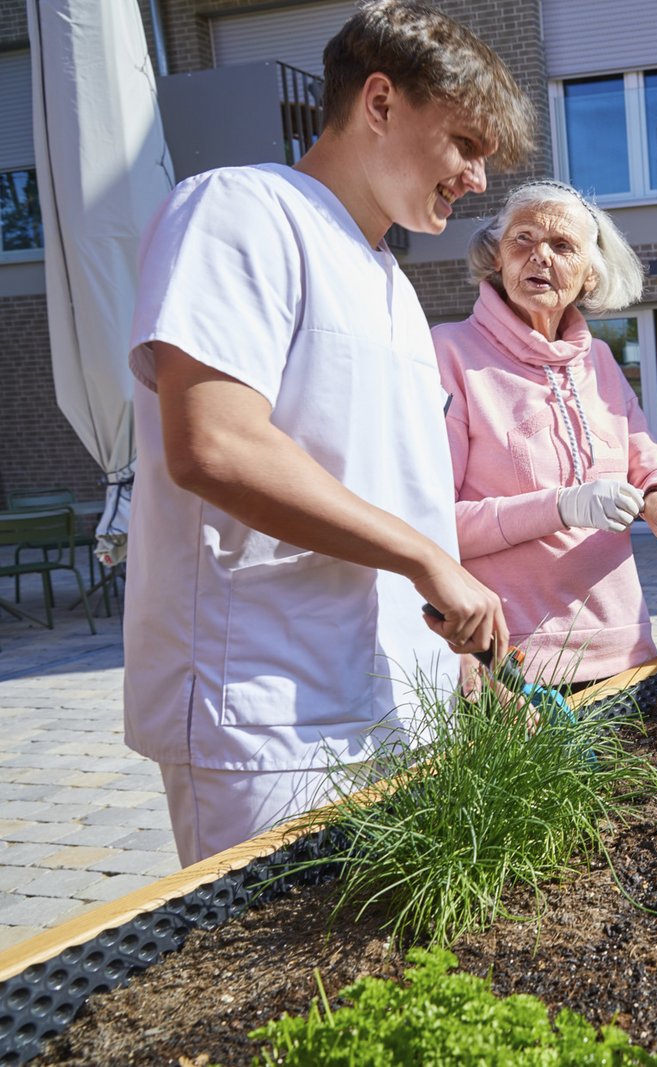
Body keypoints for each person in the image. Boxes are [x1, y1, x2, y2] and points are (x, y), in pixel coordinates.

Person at [124, 0, 532, 867]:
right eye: (465, 144)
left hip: (390, 706)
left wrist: (458, 665)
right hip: (270, 719)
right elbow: (216, 442)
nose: (477, 180)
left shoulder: (394, 286)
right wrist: (432, 562)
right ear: (379, 101)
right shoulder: (238, 209)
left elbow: (394, 492)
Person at [432, 181, 657, 686]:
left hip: (625, 649)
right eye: (522, 239)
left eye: (562, 246)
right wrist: (563, 505)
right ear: (496, 257)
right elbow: (435, 526)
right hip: (514, 667)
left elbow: (644, 457)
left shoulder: (600, 359)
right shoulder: (449, 354)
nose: (538, 255)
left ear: (589, 275)